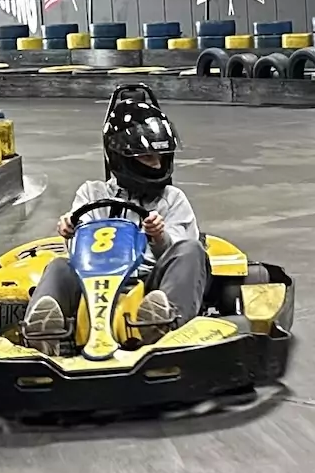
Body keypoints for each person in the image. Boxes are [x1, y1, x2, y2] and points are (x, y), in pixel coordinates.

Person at [22, 86, 209, 354]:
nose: (157, 165)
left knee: (192, 250)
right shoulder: (92, 194)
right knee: (59, 266)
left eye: (161, 157)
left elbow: (180, 254)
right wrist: (70, 231)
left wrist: (159, 237)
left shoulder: (172, 199)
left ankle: (164, 325)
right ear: (121, 158)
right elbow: (78, 254)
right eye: (148, 157)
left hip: (150, 285)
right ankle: (42, 336)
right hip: (92, 285)